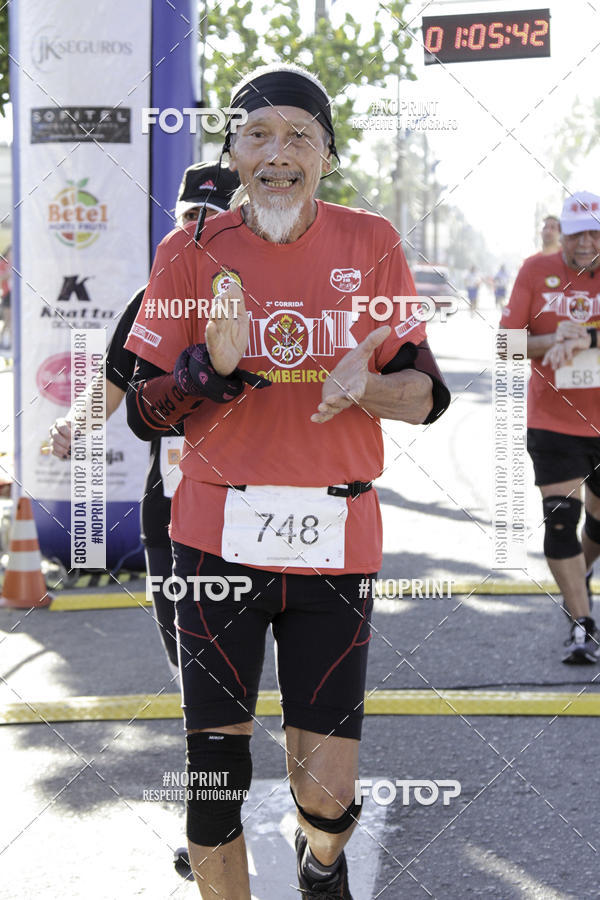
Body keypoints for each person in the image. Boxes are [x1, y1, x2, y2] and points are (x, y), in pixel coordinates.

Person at [124, 62, 450, 900]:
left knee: (325, 791)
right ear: (232, 150)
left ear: (327, 157)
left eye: (298, 135)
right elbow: (142, 409)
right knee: (215, 777)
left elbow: (426, 394)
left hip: (336, 541)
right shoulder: (189, 250)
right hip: (213, 535)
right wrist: (209, 369)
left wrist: (365, 387)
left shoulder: (370, 242)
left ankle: (322, 857)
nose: (277, 152)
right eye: (258, 134)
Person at [49, 161, 239, 678]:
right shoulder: (150, 297)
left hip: (251, 495)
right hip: (172, 496)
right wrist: (73, 423)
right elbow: (110, 387)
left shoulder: (265, 297)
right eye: (189, 215)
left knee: (236, 657)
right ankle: (210, 755)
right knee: (186, 659)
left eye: (212, 216)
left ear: (238, 220)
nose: (198, 228)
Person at [500, 190, 600, 664]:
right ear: (561, 230)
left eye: (595, 234)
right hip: (554, 420)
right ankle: (582, 623)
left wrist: (588, 336)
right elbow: (506, 347)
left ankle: (575, 579)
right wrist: (549, 341)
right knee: (562, 520)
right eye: (578, 233)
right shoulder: (535, 272)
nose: (586, 243)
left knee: (598, 526)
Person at [0, 245, 12, 350]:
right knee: (8, 319)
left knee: (11, 320)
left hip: (15, 294)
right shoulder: (3, 264)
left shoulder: (16, 263)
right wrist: (9, 274)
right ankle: (3, 340)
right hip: (7, 294)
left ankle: (10, 342)